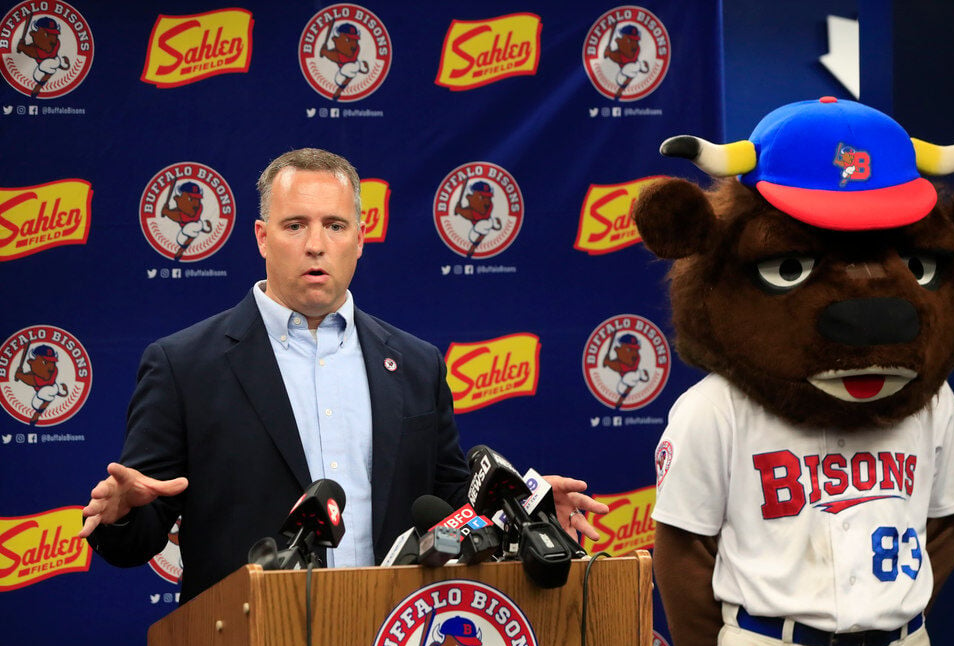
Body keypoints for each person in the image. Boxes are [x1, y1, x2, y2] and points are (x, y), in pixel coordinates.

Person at [80, 148, 607, 603]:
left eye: (334, 225)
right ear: (263, 237)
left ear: (359, 238)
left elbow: (447, 505)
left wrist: (523, 511)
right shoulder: (184, 365)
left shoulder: (417, 363)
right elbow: (134, 540)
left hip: (394, 642)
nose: (316, 244)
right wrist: (121, 515)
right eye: (295, 225)